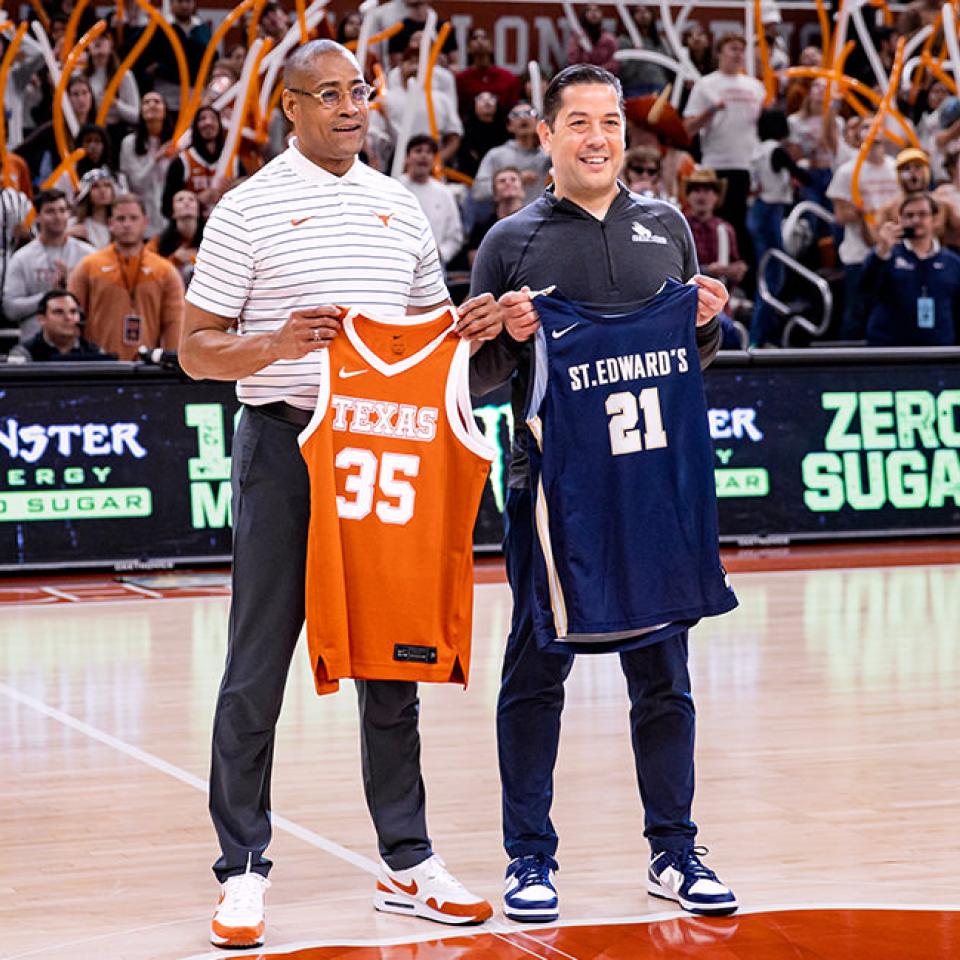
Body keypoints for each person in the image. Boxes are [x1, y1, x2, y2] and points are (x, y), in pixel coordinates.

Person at [177, 38, 504, 950]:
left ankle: (409, 859)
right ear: (289, 107)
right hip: (283, 447)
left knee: (390, 656)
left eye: (358, 91)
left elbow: (430, 344)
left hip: (379, 450)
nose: (351, 107)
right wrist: (276, 343)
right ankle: (241, 869)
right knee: (257, 664)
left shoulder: (399, 205)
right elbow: (195, 349)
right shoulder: (247, 210)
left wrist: (473, 328)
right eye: (328, 94)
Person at [469, 63, 736, 924]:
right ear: (543, 136)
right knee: (538, 664)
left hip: (651, 484)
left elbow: (691, 365)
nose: (597, 138)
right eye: (577, 122)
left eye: (611, 123)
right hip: (550, 490)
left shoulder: (668, 227)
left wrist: (709, 324)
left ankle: (674, 847)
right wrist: (504, 337)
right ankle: (529, 857)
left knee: (663, 668)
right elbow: (473, 374)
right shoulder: (508, 241)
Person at [68, 193, 184, 360]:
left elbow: (175, 324)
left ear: (145, 222)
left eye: (133, 218)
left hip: (147, 368)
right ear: (110, 224)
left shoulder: (165, 271)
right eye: (121, 219)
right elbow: (72, 320)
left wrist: (172, 361)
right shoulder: (88, 266)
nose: (127, 225)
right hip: (98, 365)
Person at [682, 33, 765, 264]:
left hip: (746, 166)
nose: (738, 54)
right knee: (714, 229)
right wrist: (710, 111)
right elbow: (687, 129)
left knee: (743, 229)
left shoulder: (756, 87)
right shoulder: (706, 85)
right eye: (733, 48)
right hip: (716, 165)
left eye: (741, 49)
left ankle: (742, 285)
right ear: (720, 52)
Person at [826, 112, 900, 338]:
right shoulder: (847, 171)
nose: (872, 131)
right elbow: (839, 215)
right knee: (856, 313)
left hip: (894, 250)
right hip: (859, 253)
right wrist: (861, 214)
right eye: (866, 127)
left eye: (876, 126)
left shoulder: (896, 166)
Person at [862, 192, 960, 346]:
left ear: (934, 219)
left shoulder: (952, 262)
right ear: (900, 220)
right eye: (909, 215)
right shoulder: (887, 255)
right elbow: (865, 289)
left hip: (938, 351)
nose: (915, 220)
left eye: (922, 214)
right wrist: (881, 250)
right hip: (891, 350)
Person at [2, 189, 94, 341]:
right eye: (50, 211)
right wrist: (49, 294)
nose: (57, 217)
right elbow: (10, 309)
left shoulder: (88, 255)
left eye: (62, 210)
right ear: (37, 217)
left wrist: (72, 288)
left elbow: (99, 303)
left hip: (80, 345)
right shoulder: (22, 258)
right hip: (35, 346)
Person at [399, 135, 464, 268]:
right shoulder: (394, 187)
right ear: (407, 157)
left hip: (433, 268)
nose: (424, 156)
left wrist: (440, 253)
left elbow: (455, 236)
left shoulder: (444, 193)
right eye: (418, 151)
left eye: (429, 152)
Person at [472, 102, 551, 206]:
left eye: (529, 113)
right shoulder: (496, 155)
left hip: (542, 215)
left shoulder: (548, 155)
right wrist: (514, 181)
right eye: (516, 115)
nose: (523, 118)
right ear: (509, 126)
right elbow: (478, 192)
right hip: (506, 216)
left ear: (539, 123)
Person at [119, 91, 175, 237]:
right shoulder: (129, 143)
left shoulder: (176, 144)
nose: (151, 105)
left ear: (165, 110)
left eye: (157, 101)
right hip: (142, 221)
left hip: (170, 219)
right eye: (146, 102)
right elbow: (136, 184)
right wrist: (156, 159)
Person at [684, 167, 748, 291]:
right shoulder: (681, 225)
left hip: (716, 300)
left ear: (716, 197)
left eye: (707, 191)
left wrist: (736, 270)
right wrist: (707, 271)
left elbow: (734, 266)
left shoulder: (725, 229)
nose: (701, 196)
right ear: (688, 196)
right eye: (696, 190)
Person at [7, 289, 112, 361]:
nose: (68, 317)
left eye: (73, 312)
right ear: (41, 319)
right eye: (59, 312)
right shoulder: (24, 355)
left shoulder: (96, 354)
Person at [455, 27, 520, 117]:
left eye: (484, 38)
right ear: (468, 48)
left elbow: (513, 110)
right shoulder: (460, 79)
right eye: (475, 38)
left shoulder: (509, 78)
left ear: (492, 45)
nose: (479, 41)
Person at [151, 188, 205, 285]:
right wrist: (175, 259)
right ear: (173, 212)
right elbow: (149, 271)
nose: (186, 202)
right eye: (180, 200)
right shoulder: (158, 241)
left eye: (191, 199)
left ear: (198, 211)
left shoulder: (210, 238)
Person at [68, 167, 119, 250]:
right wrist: (66, 234)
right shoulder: (74, 223)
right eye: (96, 186)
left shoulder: (121, 223)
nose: (102, 190)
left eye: (107, 185)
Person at [566, 3, 620, 74]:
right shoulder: (578, 38)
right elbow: (572, 62)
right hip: (582, 78)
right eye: (589, 10)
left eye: (596, 10)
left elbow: (614, 63)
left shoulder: (610, 39)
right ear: (584, 14)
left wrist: (597, 71)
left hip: (604, 79)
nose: (593, 13)